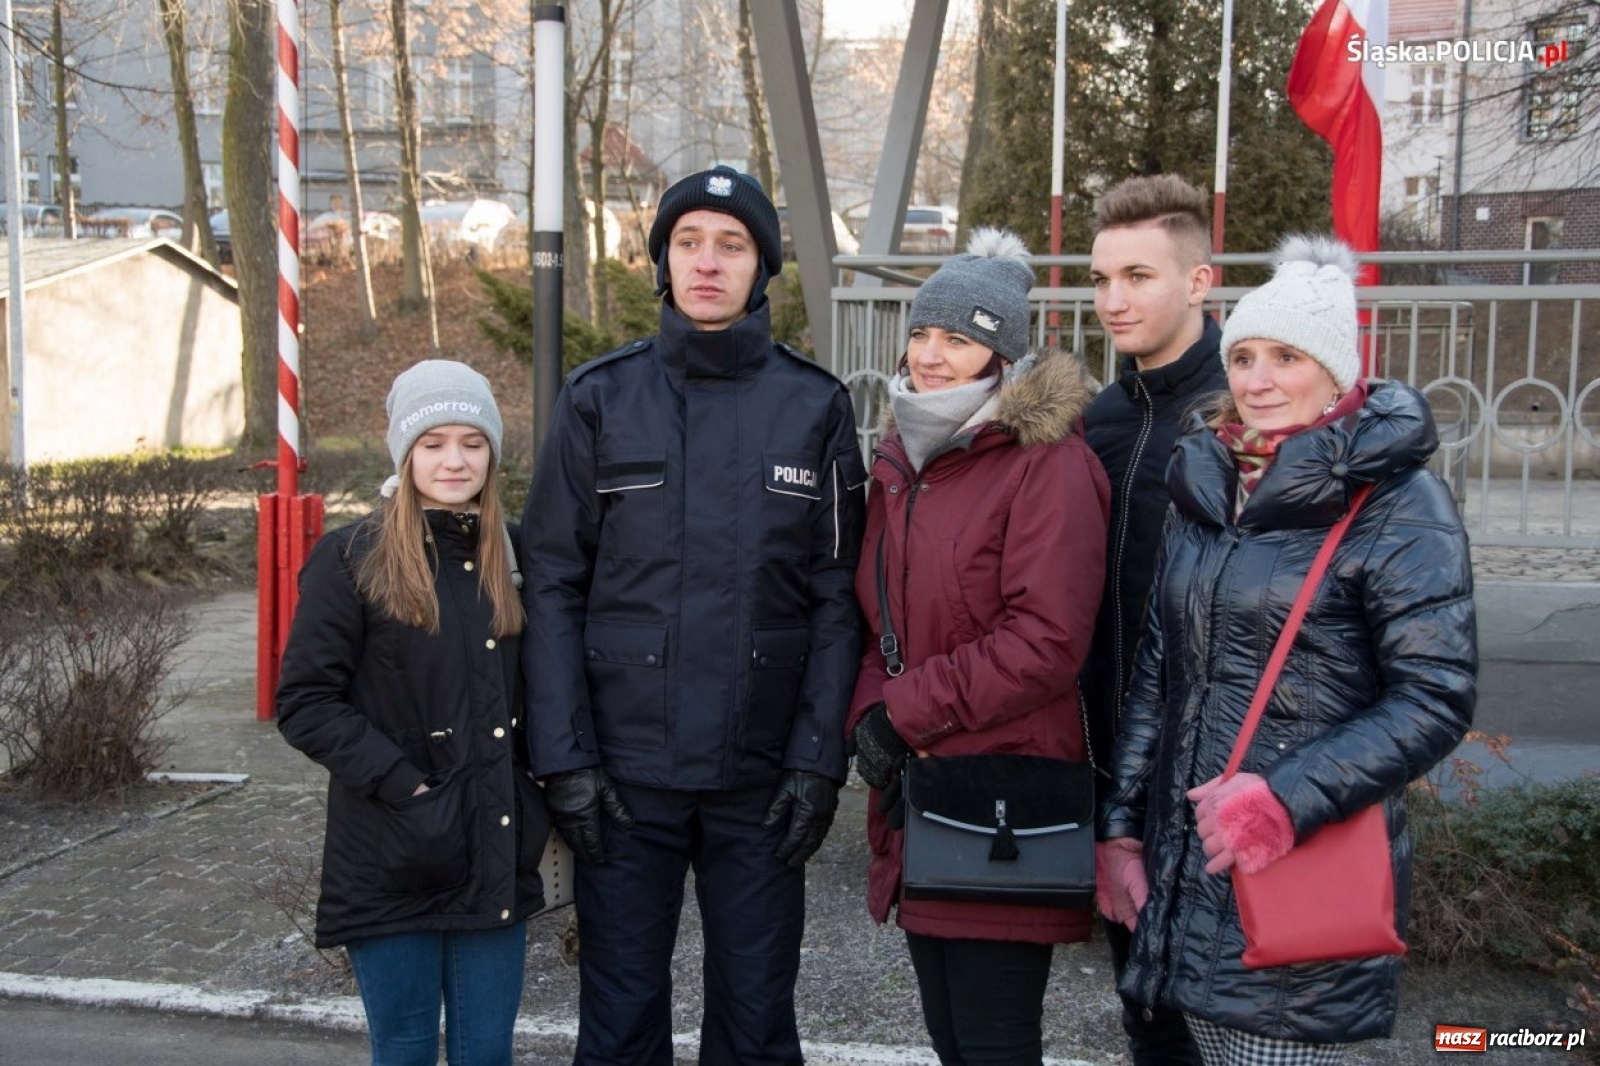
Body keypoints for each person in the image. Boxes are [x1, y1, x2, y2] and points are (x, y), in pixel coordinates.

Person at [1096, 236, 1478, 1065]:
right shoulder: (1210, 484)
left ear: (1336, 372)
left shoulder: (1401, 503)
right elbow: (1160, 674)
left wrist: (1285, 798)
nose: (1257, 379)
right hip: (1186, 873)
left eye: (1285, 357)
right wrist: (1122, 830)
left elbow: (1435, 695)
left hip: (1297, 866)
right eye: (1241, 356)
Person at [521, 165, 866, 1066]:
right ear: (662, 264)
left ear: (764, 268)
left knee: (758, 1021)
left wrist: (818, 761)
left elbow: (837, 597)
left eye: (732, 244)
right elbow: (551, 581)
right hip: (624, 779)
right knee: (622, 1015)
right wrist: (564, 760)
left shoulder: (817, 408)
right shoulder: (599, 400)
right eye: (688, 243)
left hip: (762, 780)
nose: (708, 263)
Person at [847, 228, 1110, 1066]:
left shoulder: (1046, 462)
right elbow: (879, 618)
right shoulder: (908, 454)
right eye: (922, 334)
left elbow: (1046, 640)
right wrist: (870, 719)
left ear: (1000, 356)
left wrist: (902, 713)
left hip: (1004, 792)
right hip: (923, 789)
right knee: (952, 1041)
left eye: (957, 339)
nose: (929, 355)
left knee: (995, 1045)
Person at [277, 359, 545, 1066]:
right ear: (405, 450)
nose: (454, 460)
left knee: (486, 1052)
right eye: (433, 443)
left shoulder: (515, 554)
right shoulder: (351, 558)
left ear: (492, 451)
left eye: (472, 442)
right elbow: (304, 702)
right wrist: (405, 783)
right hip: (392, 852)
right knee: (403, 1048)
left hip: (493, 845)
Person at [1082, 173, 1222, 1066]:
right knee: (1146, 1012)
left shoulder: (1246, 415)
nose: (1113, 300)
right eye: (1101, 279)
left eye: (1138, 276)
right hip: (1115, 775)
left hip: (1218, 784)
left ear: (1200, 282)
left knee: (1227, 1025)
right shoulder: (1100, 417)